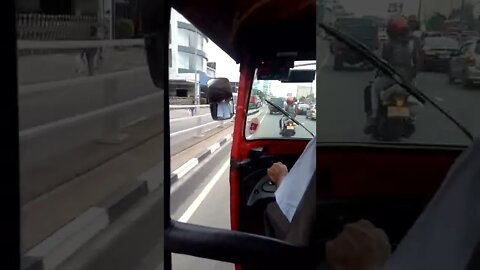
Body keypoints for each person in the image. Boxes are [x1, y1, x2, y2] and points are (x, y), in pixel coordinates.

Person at [365, 16, 421, 132]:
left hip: (391, 76)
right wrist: (413, 74)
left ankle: (374, 116)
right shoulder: (414, 42)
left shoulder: (389, 43)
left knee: (374, 88)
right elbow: (419, 61)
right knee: (414, 96)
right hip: (408, 78)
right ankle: (412, 119)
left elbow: (383, 60)